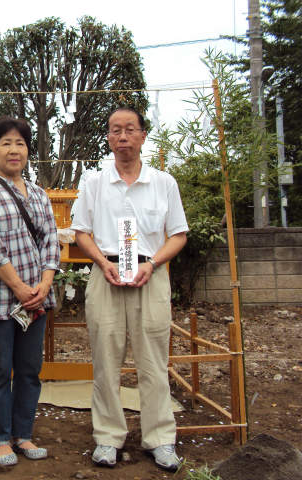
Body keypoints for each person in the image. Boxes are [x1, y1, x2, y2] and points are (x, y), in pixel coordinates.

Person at [71, 107, 188, 471]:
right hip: (105, 273)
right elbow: (81, 233)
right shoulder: (93, 182)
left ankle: (160, 439)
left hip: (150, 275)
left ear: (142, 135)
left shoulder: (164, 183)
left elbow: (178, 235)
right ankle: (107, 437)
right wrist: (102, 262)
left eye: (130, 129)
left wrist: (151, 264)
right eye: (115, 131)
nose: (122, 136)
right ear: (108, 138)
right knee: (106, 360)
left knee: (154, 361)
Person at [0, 116, 60, 466]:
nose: (14, 149)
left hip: (36, 297)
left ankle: (23, 433)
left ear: (28, 150)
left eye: (20, 142)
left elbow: (51, 239)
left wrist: (44, 284)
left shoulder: (38, 194)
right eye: (5, 142)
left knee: (29, 369)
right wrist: (20, 287)